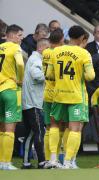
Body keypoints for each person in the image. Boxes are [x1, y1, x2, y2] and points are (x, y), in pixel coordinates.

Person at [46, 25, 95, 169]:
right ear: (81, 38)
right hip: (75, 96)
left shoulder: (55, 51)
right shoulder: (84, 53)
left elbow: (49, 75)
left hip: (59, 95)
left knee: (54, 125)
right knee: (74, 128)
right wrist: (80, 75)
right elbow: (91, 76)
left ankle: (53, 160)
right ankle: (68, 162)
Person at [22, 38, 50, 169]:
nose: (49, 52)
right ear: (41, 48)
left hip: (30, 101)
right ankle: (42, 162)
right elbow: (37, 75)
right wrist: (50, 74)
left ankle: (26, 162)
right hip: (33, 102)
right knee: (39, 132)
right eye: (48, 49)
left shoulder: (34, 59)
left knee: (31, 134)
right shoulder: (36, 60)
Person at [0, 24, 24, 170]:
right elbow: (20, 64)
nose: (21, 39)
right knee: (10, 128)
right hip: (10, 89)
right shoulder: (15, 47)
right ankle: (6, 163)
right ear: (13, 35)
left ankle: (1, 162)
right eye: (20, 36)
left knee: (1, 128)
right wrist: (20, 79)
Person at [42, 29, 64, 163]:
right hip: (58, 92)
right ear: (61, 40)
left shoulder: (45, 52)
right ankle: (56, 158)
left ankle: (47, 158)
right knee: (59, 126)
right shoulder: (59, 53)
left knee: (49, 127)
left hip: (47, 92)